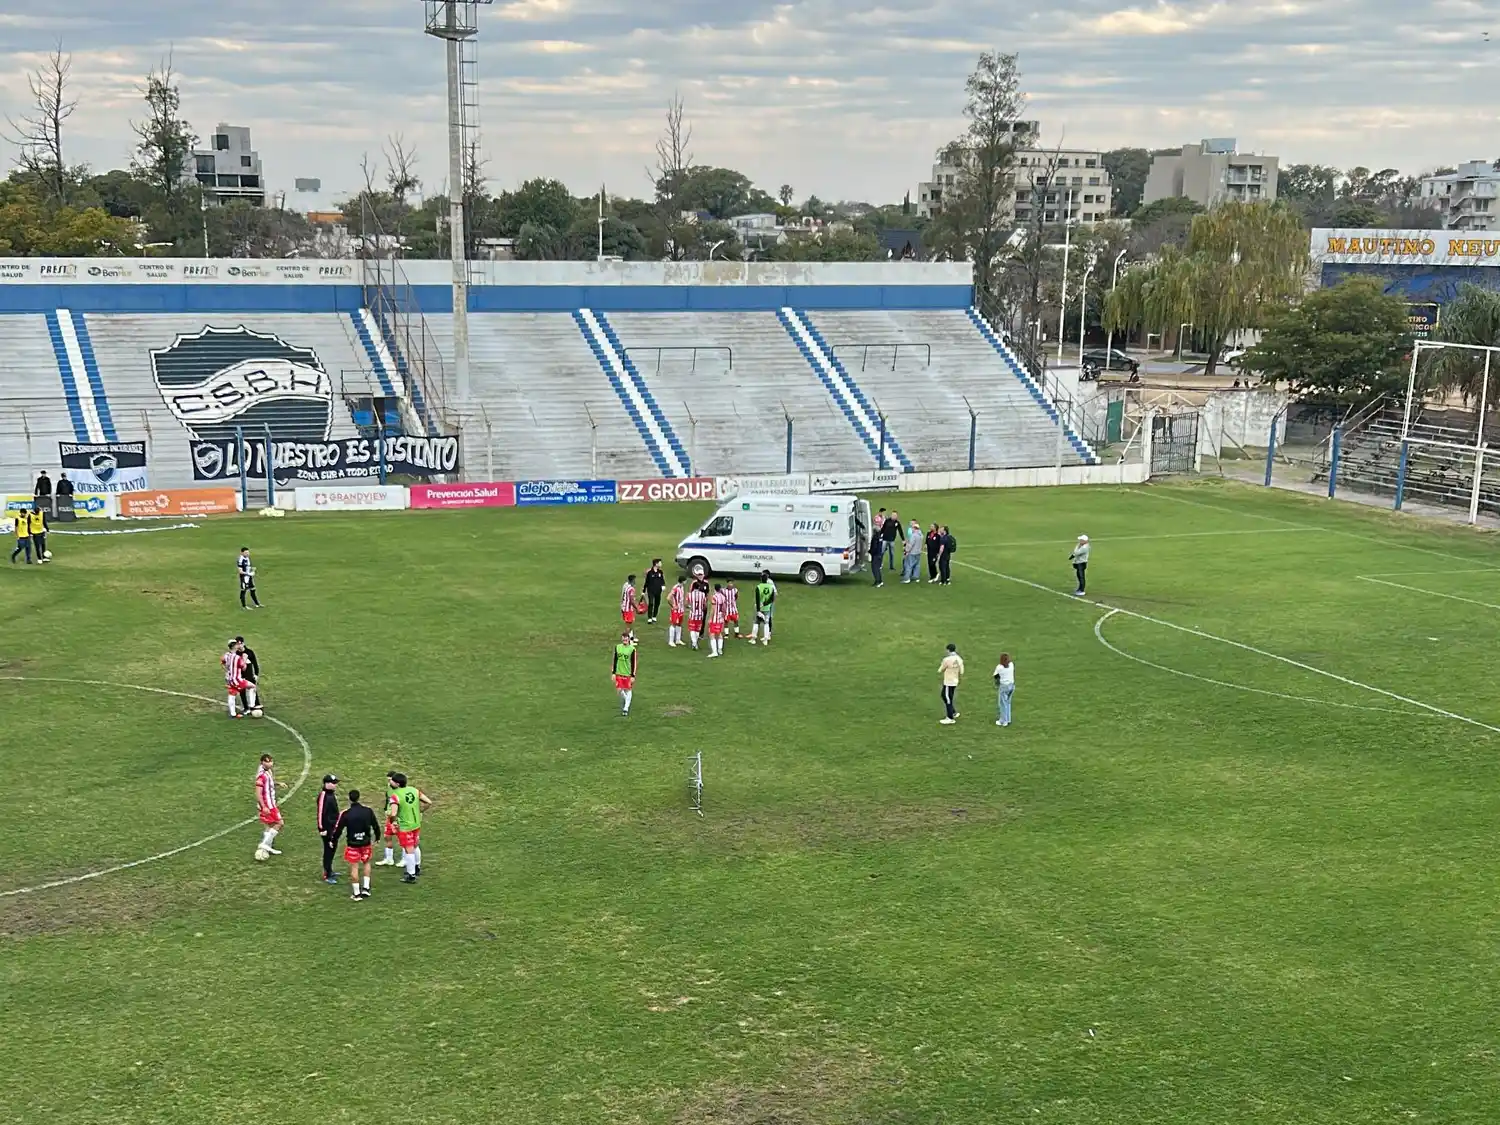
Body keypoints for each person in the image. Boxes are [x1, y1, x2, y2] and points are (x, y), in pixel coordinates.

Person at [331, 788, 382, 901]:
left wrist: (333, 840)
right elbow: (375, 825)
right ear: (359, 797)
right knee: (366, 863)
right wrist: (377, 837)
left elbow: (338, 830)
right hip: (365, 843)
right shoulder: (368, 811)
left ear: (349, 799)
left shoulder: (346, 814)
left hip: (353, 844)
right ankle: (366, 888)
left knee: (354, 867)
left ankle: (356, 893)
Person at [389, 772, 432, 883]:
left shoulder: (395, 795)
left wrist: (393, 822)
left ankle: (411, 875)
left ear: (397, 784)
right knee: (415, 845)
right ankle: (417, 868)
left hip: (405, 826)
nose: (390, 782)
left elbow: (393, 814)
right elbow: (428, 802)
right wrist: (420, 811)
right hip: (416, 823)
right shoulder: (414, 790)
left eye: (392, 781)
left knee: (409, 849)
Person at [254, 754, 283, 859]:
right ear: (262, 762)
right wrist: (263, 806)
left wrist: (278, 784)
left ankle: (266, 848)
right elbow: (258, 792)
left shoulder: (267, 773)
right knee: (279, 823)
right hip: (268, 805)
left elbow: (269, 784)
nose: (270, 763)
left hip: (270, 803)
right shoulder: (261, 775)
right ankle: (264, 844)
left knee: (269, 826)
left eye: (271, 761)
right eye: (267, 761)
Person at [222, 639, 257, 719]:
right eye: (237, 644)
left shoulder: (227, 655)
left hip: (230, 679)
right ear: (234, 646)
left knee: (232, 695)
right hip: (237, 679)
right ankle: (252, 706)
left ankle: (233, 714)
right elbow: (244, 668)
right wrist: (244, 659)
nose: (238, 645)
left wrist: (227, 671)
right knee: (252, 686)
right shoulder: (237, 657)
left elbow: (223, 662)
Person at [316, 774, 341, 884]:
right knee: (328, 850)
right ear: (326, 784)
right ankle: (327, 874)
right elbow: (320, 813)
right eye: (333, 783)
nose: (335, 785)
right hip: (327, 828)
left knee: (333, 848)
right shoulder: (323, 795)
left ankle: (330, 870)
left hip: (333, 827)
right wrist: (321, 829)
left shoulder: (331, 794)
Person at [378, 771, 401, 866]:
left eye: (390, 780)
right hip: (389, 815)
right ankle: (389, 859)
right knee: (387, 836)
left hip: (399, 817)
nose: (389, 782)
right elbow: (388, 800)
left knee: (403, 838)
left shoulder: (401, 790)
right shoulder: (389, 788)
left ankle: (405, 859)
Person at [613, 629, 639, 714]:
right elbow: (615, 660)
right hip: (619, 672)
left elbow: (633, 662)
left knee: (628, 689)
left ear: (628, 639)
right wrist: (613, 672)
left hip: (627, 673)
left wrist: (633, 675)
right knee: (619, 690)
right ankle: (626, 700)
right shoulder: (617, 647)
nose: (624, 640)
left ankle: (626, 708)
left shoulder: (632, 649)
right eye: (623, 639)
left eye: (626, 639)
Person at [234, 636, 261, 714]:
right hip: (240, 675)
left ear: (243, 643)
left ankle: (256, 705)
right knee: (242, 691)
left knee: (252, 690)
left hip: (249, 675)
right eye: (236, 644)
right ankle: (246, 708)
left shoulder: (249, 652)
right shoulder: (236, 654)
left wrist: (256, 674)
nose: (238, 646)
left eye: (239, 644)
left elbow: (255, 664)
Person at [938, 643, 964, 724]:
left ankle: (950, 717)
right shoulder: (959, 659)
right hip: (955, 680)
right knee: (946, 696)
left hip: (948, 681)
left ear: (948, 650)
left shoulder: (947, 659)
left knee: (947, 698)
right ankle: (953, 712)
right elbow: (962, 671)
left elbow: (940, 669)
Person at [750, 570, 776, 645]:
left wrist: (758, 609)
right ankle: (765, 640)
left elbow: (757, 599)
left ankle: (753, 639)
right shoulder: (771, 587)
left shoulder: (758, 587)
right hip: (767, 608)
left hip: (760, 608)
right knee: (766, 623)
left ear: (761, 579)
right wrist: (765, 604)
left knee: (756, 622)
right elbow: (772, 599)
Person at [993, 653, 1016, 727]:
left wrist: (997, 683)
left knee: (1003, 704)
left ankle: (1003, 721)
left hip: (1004, 686)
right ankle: (1008, 719)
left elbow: (996, 676)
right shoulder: (1012, 665)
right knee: (1008, 703)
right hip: (1011, 686)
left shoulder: (999, 667)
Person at [687, 578, 708, 650]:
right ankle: (695, 643)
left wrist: (690, 606)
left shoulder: (690, 595)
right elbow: (704, 605)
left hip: (692, 614)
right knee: (697, 629)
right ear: (699, 587)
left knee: (692, 629)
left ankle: (694, 643)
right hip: (700, 614)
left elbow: (686, 604)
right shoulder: (702, 594)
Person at [707, 584, 728, 657]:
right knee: (719, 634)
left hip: (715, 618)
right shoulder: (723, 597)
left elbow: (713, 608)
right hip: (721, 618)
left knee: (712, 634)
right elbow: (724, 608)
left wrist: (710, 618)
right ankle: (720, 649)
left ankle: (714, 652)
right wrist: (724, 615)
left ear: (715, 589)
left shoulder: (714, 597)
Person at [643, 559, 666, 624]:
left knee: (657, 603)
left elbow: (662, 580)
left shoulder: (660, 572)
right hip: (651, 590)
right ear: (656, 564)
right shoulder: (650, 572)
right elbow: (646, 582)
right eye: (660, 563)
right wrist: (644, 591)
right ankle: (649, 618)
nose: (661, 564)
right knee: (651, 603)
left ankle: (654, 616)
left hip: (658, 590)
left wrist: (663, 585)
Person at [666, 575, 686, 647]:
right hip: (676, 610)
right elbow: (668, 598)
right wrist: (673, 606)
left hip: (681, 609)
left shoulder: (682, 587)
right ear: (683, 581)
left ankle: (678, 639)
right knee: (673, 624)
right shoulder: (675, 588)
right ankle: (671, 641)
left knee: (679, 624)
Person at [902, 519, 923, 583]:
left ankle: (907, 578)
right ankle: (916, 577)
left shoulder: (913, 535)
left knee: (908, 565)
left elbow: (910, 545)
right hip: (918, 552)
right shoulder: (921, 535)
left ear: (915, 528)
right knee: (917, 565)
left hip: (912, 553)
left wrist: (906, 550)